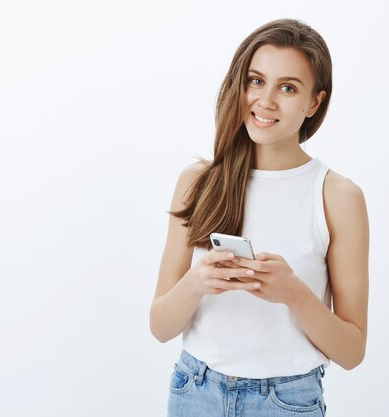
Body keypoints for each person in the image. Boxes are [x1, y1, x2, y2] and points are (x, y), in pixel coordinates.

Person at [150, 18, 369, 417]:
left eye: (288, 88)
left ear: (314, 103)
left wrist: (294, 294)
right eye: (255, 81)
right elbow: (160, 326)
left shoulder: (338, 196)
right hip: (194, 391)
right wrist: (198, 282)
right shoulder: (198, 182)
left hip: (286, 401)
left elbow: (352, 351)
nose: (266, 101)